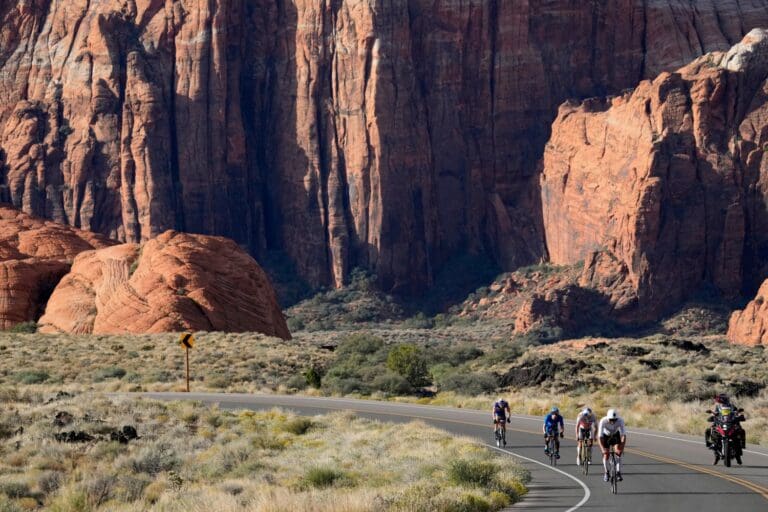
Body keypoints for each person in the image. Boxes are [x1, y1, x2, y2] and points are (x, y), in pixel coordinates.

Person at [705, 393, 747, 462]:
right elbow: (715, 414)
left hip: (731, 423)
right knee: (709, 430)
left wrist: (740, 416)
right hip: (720, 423)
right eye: (721, 399)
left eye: (722, 399)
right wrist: (712, 416)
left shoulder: (732, 406)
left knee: (741, 430)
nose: (721, 400)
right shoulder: (718, 407)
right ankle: (710, 444)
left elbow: (737, 413)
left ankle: (742, 445)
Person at [598, 408, 626, 482]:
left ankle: (618, 472)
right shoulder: (603, 421)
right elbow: (600, 437)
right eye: (611, 420)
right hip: (605, 435)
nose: (613, 422)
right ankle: (606, 472)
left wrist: (621, 448)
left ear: (617, 418)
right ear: (607, 418)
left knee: (618, 453)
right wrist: (602, 450)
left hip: (615, 435)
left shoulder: (620, 420)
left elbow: (623, 436)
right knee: (606, 454)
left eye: (614, 420)